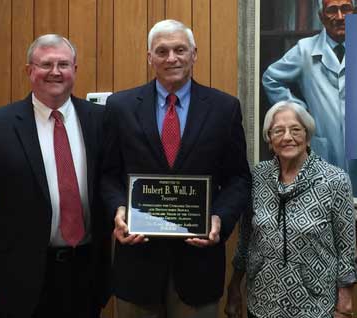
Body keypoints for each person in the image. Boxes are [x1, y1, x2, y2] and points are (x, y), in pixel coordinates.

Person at [101, 19, 251, 317]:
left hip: (199, 265)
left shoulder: (224, 108)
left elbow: (238, 178)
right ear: (149, 57)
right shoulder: (120, 107)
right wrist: (118, 208)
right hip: (137, 264)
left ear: (194, 54)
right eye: (162, 51)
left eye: (180, 49)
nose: (172, 58)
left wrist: (219, 219)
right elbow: (107, 174)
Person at [0, 34, 110, 317]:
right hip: (19, 275)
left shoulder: (100, 120)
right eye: (46, 64)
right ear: (29, 71)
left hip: (86, 271)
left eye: (63, 64)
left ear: (75, 70)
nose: (55, 72)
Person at [224, 101, 357, 318]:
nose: (287, 137)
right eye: (278, 131)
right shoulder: (257, 177)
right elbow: (245, 239)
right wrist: (234, 288)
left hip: (314, 306)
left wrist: (344, 305)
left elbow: (346, 249)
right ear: (269, 139)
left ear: (308, 136)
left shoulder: (335, 181)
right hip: (261, 302)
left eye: (296, 129)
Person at [262, 0, 355, 170]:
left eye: (346, 9)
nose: (341, 17)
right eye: (332, 10)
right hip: (323, 147)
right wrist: (299, 110)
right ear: (321, 16)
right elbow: (271, 78)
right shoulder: (305, 49)